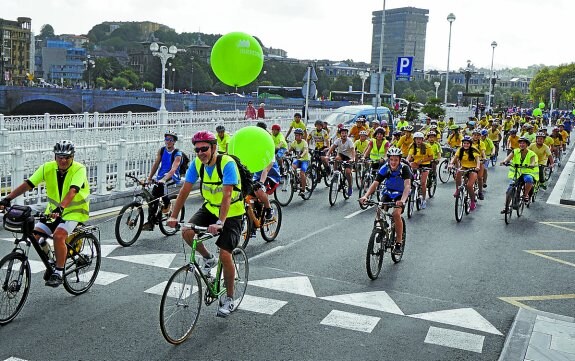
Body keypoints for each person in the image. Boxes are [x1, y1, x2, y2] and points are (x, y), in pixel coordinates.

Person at [167, 131, 244, 318]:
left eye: (204, 148)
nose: (200, 152)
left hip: (232, 213)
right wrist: (174, 216)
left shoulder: (227, 164)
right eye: (197, 149)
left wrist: (220, 222)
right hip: (210, 208)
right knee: (186, 232)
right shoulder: (196, 165)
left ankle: (229, 298)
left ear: (214, 148)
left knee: (225, 254)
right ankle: (209, 258)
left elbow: (227, 195)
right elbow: (184, 191)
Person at [0, 140, 90, 287]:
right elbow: (28, 184)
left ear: (72, 157)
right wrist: (7, 199)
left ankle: (59, 272)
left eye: (67, 157)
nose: (63, 160)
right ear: (55, 156)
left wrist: (61, 208)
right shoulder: (47, 168)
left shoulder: (79, 169)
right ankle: (52, 262)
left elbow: (73, 191)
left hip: (74, 211)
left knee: (58, 236)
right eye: (60, 157)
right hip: (52, 212)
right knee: (35, 236)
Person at [359, 147, 411, 255]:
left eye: (396, 160)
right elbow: (375, 183)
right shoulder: (385, 168)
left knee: (396, 214)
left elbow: (407, 186)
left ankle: (398, 243)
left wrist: (402, 200)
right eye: (391, 159)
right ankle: (381, 230)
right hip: (388, 192)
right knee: (379, 209)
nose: (393, 162)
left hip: (400, 194)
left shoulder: (404, 169)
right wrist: (366, 196)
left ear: (400, 160)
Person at [143, 130, 183, 231]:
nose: (168, 141)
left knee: (162, 187)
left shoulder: (177, 153)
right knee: (153, 199)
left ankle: (167, 204)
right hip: (161, 177)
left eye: (170, 140)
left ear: (174, 141)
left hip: (172, 176)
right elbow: (156, 164)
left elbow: (174, 168)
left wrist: (164, 179)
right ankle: (151, 222)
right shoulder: (161, 150)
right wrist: (150, 178)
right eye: (166, 139)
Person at [499, 136, 539, 212]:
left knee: (529, 179)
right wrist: (505, 162)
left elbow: (533, 162)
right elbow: (508, 158)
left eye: (523, 143)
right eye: (520, 143)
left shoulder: (531, 154)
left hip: (527, 172)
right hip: (516, 173)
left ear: (527, 144)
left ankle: (525, 195)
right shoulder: (515, 151)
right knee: (509, 190)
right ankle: (506, 208)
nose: (521, 144)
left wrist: (531, 164)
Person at [449, 136, 481, 211]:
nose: (465, 145)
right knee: (458, 174)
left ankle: (473, 202)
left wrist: (477, 167)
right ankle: (457, 189)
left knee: (469, 186)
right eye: (464, 143)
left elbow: (478, 160)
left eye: (467, 143)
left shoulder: (474, 150)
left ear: (470, 144)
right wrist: (451, 163)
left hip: (473, 168)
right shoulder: (460, 150)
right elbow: (455, 157)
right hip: (464, 167)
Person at [406, 132, 433, 209]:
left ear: (422, 140)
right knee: (409, 174)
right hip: (416, 164)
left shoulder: (427, 146)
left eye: (420, 139)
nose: (418, 141)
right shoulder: (412, 147)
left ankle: (424, 199)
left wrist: (422, 160)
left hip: (425, 165)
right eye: (417, 139)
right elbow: (409, 156)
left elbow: (431, 157)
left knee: (423, 183)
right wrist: (407, 161)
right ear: (414, 140)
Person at [326, 127, 356, 197]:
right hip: (341, 155)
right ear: (340, 134)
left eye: (345, 133)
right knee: (336, 158)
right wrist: (327, 155)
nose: (344, 134)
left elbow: (352, 150)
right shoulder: (338, 140)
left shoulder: (349, 141)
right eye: (342, 133)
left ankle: (350, 186)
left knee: (348, 172)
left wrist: (353, 158)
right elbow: (332, 148)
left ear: (347, 134)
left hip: (348, 157)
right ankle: (335, 173)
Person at [289, 128, 311, 198]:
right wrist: (286, 153)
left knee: (302, 173)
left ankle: (303, 189)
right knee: (292, 167)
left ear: (301, 136)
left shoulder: (304, 142)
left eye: (298, 135)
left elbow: (305, 150)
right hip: (298, 160)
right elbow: (290, 150)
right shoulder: (294, 142)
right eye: (295, 135)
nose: (296, 137)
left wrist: (301, 155)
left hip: (305, 160)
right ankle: (296, 179)